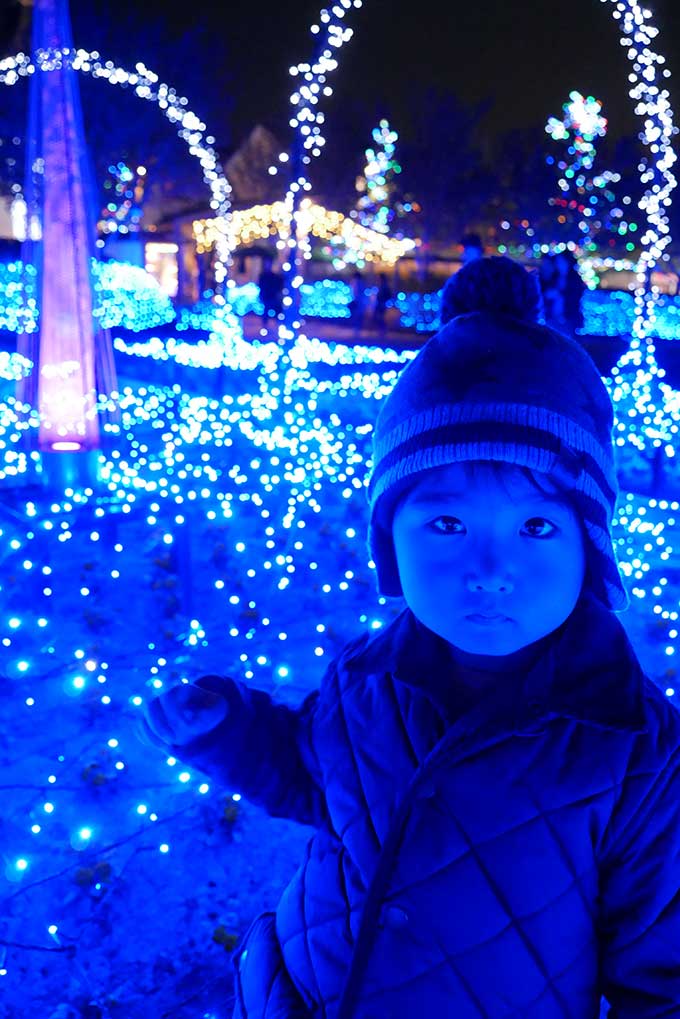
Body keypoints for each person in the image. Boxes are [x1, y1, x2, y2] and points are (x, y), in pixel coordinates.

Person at [139, 255, 680, 1018]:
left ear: (589, 548)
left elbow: (662, 981)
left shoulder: (637, 754)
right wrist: (231, 732)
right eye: (447, 523)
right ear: (391, 541)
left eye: (535, 526)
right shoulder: (366, 676)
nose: (490, 571)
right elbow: (319, 781)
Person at [257, 254, 283, 328]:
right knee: (266, 313)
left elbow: (278, 285)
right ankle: (265, 327)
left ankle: (276, 327)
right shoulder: (262, 276)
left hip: (272, 296)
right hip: (266, 297)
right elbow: (261, 286)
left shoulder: (274, 276)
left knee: (277, 312)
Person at [348, 269, 367, 333]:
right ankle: (357, 327)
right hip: (359, 301)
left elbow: (354, 292)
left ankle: (357, 328)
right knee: (358, 315)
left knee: (356, 315)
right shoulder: (360, 282)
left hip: (357, 301)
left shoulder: (355, 282)